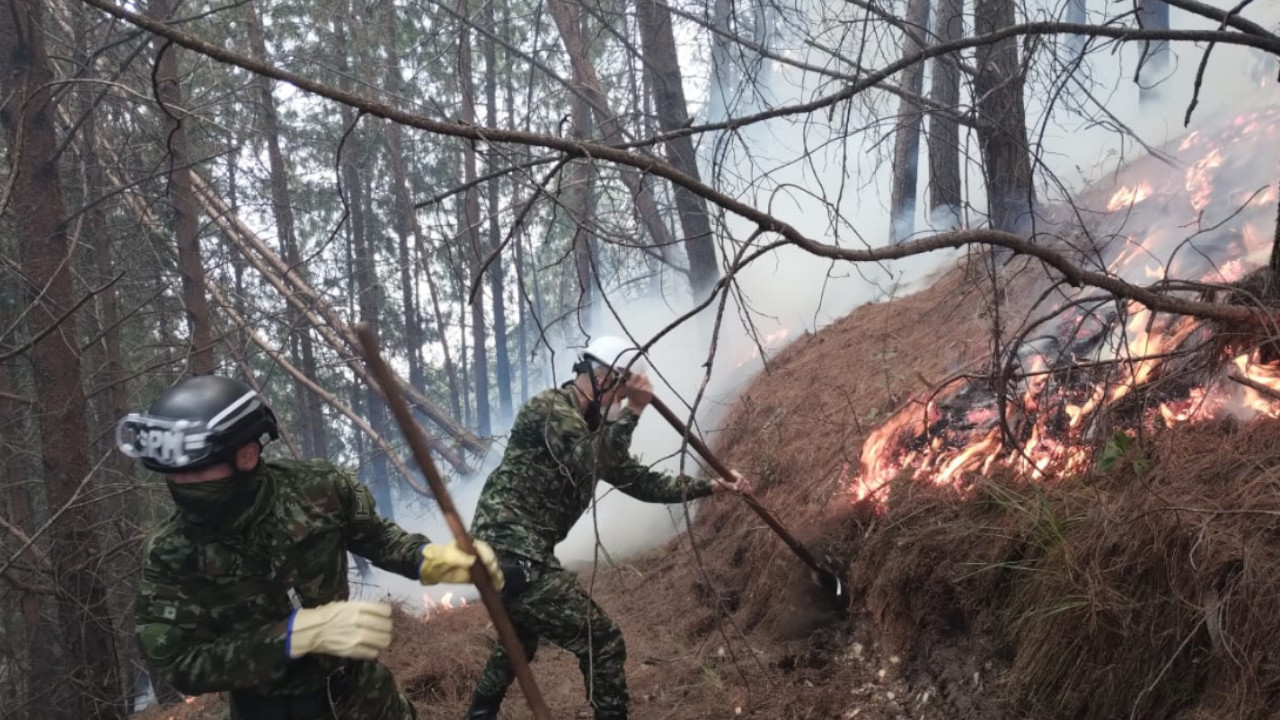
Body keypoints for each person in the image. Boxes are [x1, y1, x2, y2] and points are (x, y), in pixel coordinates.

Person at [119, 375, 503, 720]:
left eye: (196, 469)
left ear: (247, 455)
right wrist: (291, 637)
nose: (181, 483)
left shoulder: (319, 489)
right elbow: (179, 663)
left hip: (365, 699)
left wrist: (428, 559)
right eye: (171, 473)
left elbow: (377, 537)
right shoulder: (170, 554)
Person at [463, 336, 752, 720]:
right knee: (602, 638)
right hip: (509, 547)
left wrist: (713, 486)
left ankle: (478, 714)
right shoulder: (550, 409)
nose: (617, 403)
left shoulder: (595, 434)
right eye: (617, 393)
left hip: (518, 551)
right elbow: (587, 460)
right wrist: (634, 409)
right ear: (601, 378)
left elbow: (644, 483)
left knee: (518, 639)